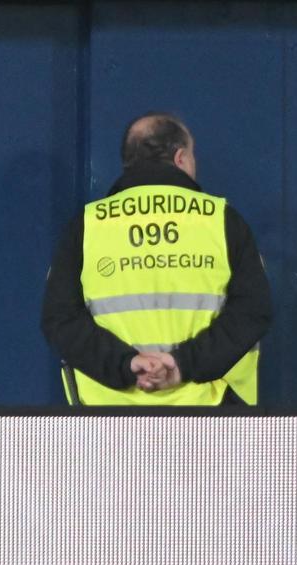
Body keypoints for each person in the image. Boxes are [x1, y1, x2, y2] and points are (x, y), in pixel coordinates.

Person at [42, 113, 272, 404]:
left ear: (129, 162)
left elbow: (60, 319)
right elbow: (253, 311)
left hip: (107, 420)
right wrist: (181, 365)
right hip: (212, 413)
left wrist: (126, 365)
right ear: (180, 159)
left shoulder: (87, 227)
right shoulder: (222, 221)